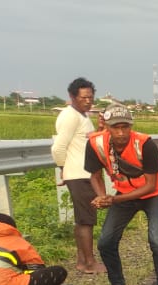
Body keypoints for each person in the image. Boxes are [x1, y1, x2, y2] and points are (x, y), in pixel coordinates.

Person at [84, 104, 158, 285]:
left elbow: (150, 185)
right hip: (124, 193)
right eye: (116, 127)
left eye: (125, 127)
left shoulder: (144, 144)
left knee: (157, 240)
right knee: (106, 241)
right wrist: (101, 197)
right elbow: (95, 176)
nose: (121, 132)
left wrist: (112, 200)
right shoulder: (95, 143)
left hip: (154, 193)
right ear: (106, 126)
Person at [51, 77, 105, 274]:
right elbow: (58, 147)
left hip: (84, 172)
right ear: (72, 97)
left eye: (91, 97)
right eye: (84, 97)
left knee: (83, 218)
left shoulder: (82, 115)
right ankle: (90, 263)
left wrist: (99, 130)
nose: (88, 101)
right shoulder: (70, 116)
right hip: (78, 173)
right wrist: (63, 168)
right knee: (86, 219)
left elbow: (86, 142)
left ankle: (82, 260)